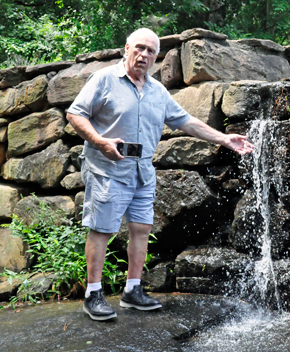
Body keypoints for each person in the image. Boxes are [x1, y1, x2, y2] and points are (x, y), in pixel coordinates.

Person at [66, 28, 255, 321]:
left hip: (142, 170)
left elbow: (186, 121)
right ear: (126, 47)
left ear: (157, 57)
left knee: (141, 229)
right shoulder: (104, 79)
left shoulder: (157, 91)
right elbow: (75, 114)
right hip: (107, 169)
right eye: (139, 48)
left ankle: (132, 290)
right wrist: (100, 142)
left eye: (150, 51)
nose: (143, 55)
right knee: (101, 229)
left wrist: (224, 139)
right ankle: (93, 293)